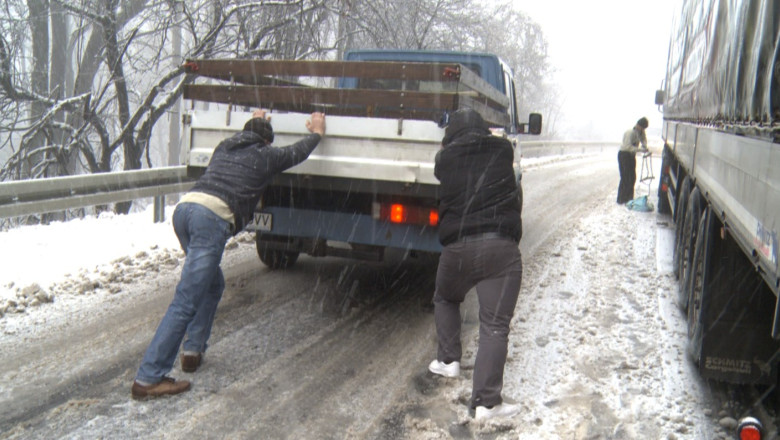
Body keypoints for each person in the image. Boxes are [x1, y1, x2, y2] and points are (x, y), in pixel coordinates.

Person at [131, 109, 326, 400]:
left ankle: (192, 351)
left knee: (212, 285)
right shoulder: (265, 156)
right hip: (210, 219)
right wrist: (317, 132)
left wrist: (256, 123)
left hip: (185, 211)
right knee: (187, 299)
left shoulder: (224, 147)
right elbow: (297, 152)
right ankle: (149, 377)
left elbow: (247, 139)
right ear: (266, 142)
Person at [428, 108, 524, 421]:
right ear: (484, 130)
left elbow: (443, 163)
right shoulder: (502, 149)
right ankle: (486, 403)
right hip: (500, 247)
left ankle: (448, 361)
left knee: (446, 298)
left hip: (457, 247)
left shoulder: (445, 159)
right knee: (494, 325)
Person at [617, 117, 649, 204]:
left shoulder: (640, 132)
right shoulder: (630, 133)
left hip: (631, 155)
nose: (642, 130)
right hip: (624, 154)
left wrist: (644, 146)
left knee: (632, 177)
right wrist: (640, 150)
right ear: (638, 125)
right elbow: (628, 147)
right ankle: (621, 199)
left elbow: (643, 139)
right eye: (642, 128)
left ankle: (629, 199)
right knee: (625, 177)